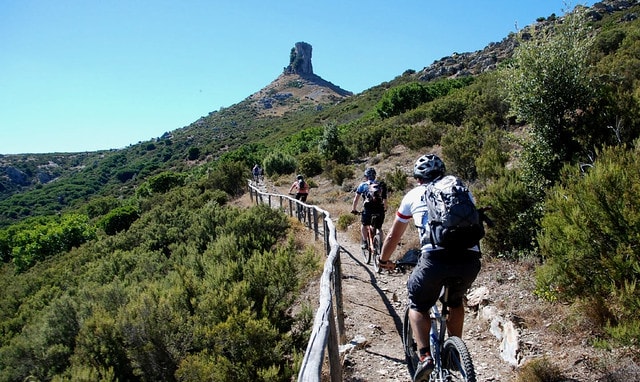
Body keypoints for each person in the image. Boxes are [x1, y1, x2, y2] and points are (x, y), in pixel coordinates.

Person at [377, 154, 482, 382]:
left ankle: (425, 357)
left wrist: (383, 260)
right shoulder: (461, 191)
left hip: (434, 259)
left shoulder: (413, 196)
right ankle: (455, 353)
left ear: (418, 178)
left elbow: (394, 235)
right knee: (455, 301)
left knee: (418, 303)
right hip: (470, 259)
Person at [351, 167, 387, 250]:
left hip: (368, 209)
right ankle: (380, 245)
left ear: (366, 176)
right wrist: (384, 209)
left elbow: (356, 199)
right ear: (375, 176)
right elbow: (385, 200)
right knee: (379, 228)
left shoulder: (362, 185)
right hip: (379, 209)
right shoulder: (381, 185)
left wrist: (354, 209)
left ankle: (364, 242)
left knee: (364, 225)